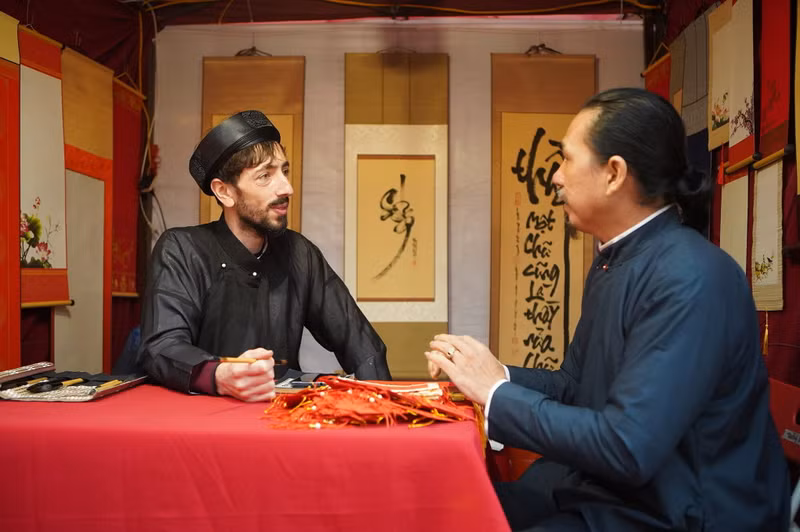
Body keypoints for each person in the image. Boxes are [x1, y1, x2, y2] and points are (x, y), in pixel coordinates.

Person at [425, 88, 789, 531]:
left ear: (614, 173)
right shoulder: (614, 261)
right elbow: (577, 386)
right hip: (616, 494)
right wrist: (494, 374)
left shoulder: (691, 278)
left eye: (566, 160)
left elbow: (628, 447)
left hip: (683, 513)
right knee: (447, 506)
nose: (556, 177)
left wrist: (497, 396)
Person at [138, 110, 390, 401]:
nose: (286, 188)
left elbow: (361, 344)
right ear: (224, 192)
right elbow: (162, 346)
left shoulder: (299, 253)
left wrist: (383, 409)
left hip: (283, 422)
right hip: (201, 425)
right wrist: (219, 375)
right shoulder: (182, 249)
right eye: (265, 176)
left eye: (284, 171)